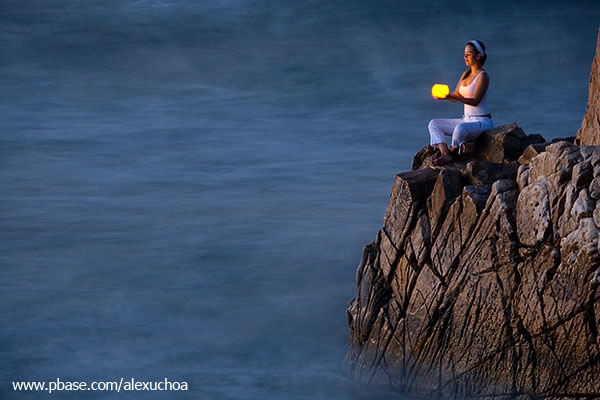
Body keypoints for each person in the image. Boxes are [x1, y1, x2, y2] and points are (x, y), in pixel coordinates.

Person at [428, 40, 493, 166]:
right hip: (466, 120)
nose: (465, 57)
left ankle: (452, 152)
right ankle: (445, 153)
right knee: (434, 124)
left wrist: (454, 98)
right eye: (464, 54)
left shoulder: (483, 76)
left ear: (478, 56)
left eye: (468, 54)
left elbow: (475, 101)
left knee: (459, 129)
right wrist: (445, 96)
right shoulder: (466, 74)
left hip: (481, 122)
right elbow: (456, 96)